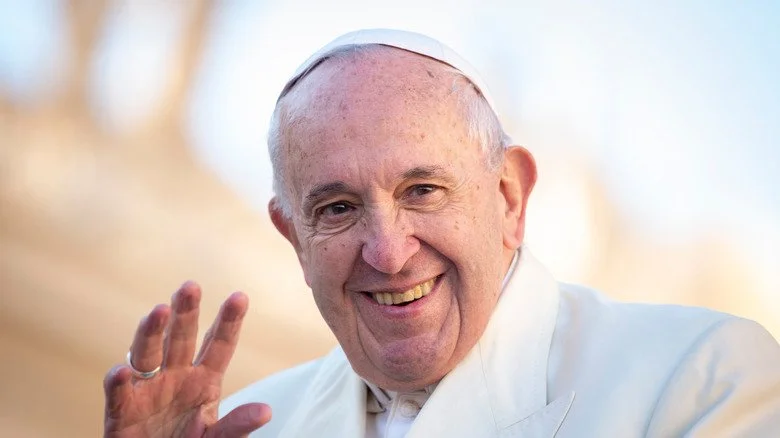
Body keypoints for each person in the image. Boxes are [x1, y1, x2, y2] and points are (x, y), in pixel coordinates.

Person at [103, 29, 780, 437]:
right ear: (294, 241)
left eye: (422, 191)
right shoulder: (249, 427)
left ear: (510, 197)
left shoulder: (697, 376)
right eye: (337, 208)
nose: (389, 253)